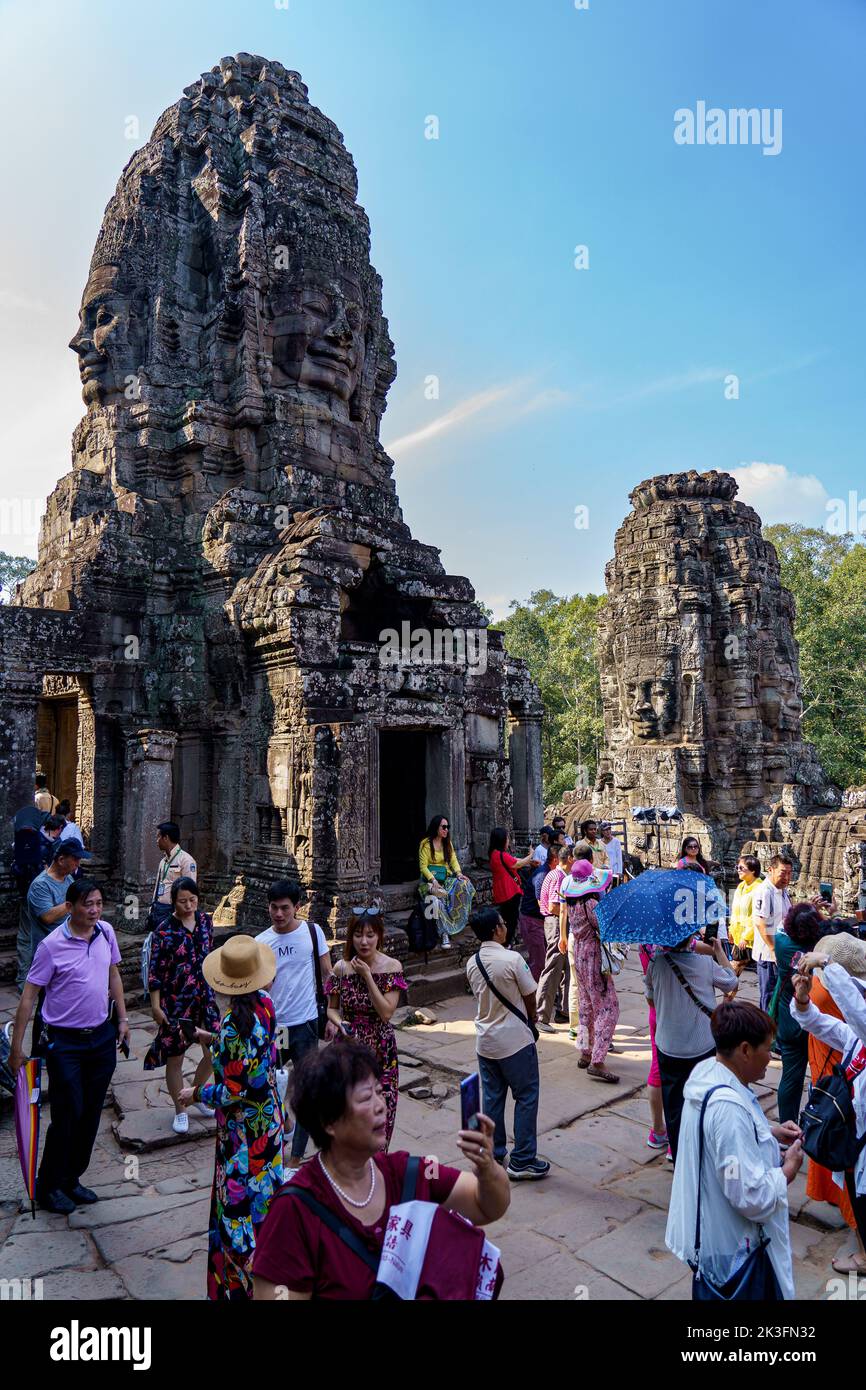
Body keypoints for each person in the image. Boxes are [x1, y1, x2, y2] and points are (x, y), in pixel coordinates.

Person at [252, 1040, 511, 1299]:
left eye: (379, 1091)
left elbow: (486, 1205)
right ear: (329, 1122)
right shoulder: (294, 1211)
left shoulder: (408, 1174)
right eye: (366, 1097)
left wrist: (486, 1167)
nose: (380, 1105)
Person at [666, 1000, 803, 1300]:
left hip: (715, 1236)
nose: (770, 1057)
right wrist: (787, 1171)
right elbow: (748, 1194)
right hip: (735, 1250)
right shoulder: (726, 1108)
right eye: (767, 1049)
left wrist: (767, 1131)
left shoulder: (708, 1072)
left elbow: (719, 1137)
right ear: (744, 1050)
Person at [9, 879, 129, 1213]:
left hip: (101, 1037)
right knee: (67, 1112)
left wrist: (122, 1019)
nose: (94, 910)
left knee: (91, 1112)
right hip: (64, 1042)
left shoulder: (105, 932)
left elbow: (114, 975)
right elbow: (30, 995)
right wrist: (17, 1049)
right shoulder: (51, 945)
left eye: (98, 903)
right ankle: (48, 1185)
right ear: (70, 907)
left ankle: (72, 1178)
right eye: (87, 904)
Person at [179, 934, 284, 1300]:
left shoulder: (232, 1025)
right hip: (268, 1124)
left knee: (236, 1210)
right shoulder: (267, 1006)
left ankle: (242, 1288)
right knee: (265, 1202)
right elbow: (252, 1060)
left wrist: (195, 1093)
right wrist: (208, 1037)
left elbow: (231, 1091)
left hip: (241, 1135)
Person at [790, 938, 866, 1268]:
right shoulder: (856, 1038)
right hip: (855, 1137)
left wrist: (828, 966)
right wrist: (803, 1002)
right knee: (857, 1192)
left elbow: (858, 1014)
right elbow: (823, 1025)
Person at [257, 879, 337, 1169]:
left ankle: (294, 1159)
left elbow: (328, 975)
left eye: (285, 908)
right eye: (274, 908)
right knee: (270, 1088)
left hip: (305, 1022)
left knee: (306, 1092)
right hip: (275, 1026)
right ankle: (285, 1125)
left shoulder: (312, 933)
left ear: (297, 907)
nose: (279, 914)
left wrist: (331, 1013)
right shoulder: (262, 942)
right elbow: (257, 987)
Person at [466, 907, 549, 1180]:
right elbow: (530, 995)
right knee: (526, 1096)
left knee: (493, 1097)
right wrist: (532, 1018)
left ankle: (495, 1151)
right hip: (514, 1041)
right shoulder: (512, 959)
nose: (505, 926)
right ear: (495, 931)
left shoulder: (472, 962)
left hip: (485, 1041)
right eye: (502, 923)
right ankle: (523, 1158)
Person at [646, 933, 738, 1161]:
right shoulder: (704, 963)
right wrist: (718, 951)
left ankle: (678, 1158)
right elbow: (731, 982)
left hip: (669, 1046)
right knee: (703, 1103)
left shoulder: (656, 963)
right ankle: (702, 1155)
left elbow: (651, 999)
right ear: (690, 940)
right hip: (701, 1046)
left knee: (674, 1107)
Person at [325, 905, 408, 1151]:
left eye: (370, 935)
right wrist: (341, 1023)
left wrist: (367, 976)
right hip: (348, 1048)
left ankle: (378, 1164)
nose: (364, 941)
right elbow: (332, 1009)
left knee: (381, 1110)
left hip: (380, 1047)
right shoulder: (341, 968)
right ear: (351, 936)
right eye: (358, 935)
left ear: (379, 936)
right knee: (346, 1112)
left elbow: (386, 1012)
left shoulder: (392, 967)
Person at [143, 876, 219, 1134]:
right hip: (176, 1001)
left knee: (215, 1051)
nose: (189, 906)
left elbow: (211, 958)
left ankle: (195, 1095)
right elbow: (155, 972)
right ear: (173, 902)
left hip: (205, 998)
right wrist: (156, 1006)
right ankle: (180, 1109)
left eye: (193, 900)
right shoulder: (163, 931)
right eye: (183, 901)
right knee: (175, 1058)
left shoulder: (206, 922)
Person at [772, 900, 841, 1125]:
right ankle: (822, 1120)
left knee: (790, 1078)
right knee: (823, 1074)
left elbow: (785, 925)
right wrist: (830, 915)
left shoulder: (781, 944)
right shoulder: (820, 949)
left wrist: (805, 910)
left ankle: (786, 1126)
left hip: (790, 1021)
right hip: (818, 1022)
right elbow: (838, 938)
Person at [560, 859, 618, 1082]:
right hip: (593, 954)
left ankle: (585, 1051)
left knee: (586, 1005)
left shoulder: (572, 903)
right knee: (608, 1008)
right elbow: (604, 928)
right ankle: (598, 1058)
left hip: (579, 951)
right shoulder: (591, 904)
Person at [16, 837, 91, 990]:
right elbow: (48, 917)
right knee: (47, 999)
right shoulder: (41, 885)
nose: (78, 864)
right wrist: (75, 900)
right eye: (75, 859)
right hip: (50, 953)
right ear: (61, 859)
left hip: (68, 947)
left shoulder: (68, 879)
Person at [536, 845, 576, 1033]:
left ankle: (564, 1010)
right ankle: (541, 1016)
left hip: (559, 922)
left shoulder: (555, 875)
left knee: (566, 967)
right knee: (552, 968)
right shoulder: (559, 877)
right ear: (569, 859)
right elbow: (553, 906)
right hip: (555, 923)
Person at [418, 814, 472, 949]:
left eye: (448, 827)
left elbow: (453, 860)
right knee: (437, 898)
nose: (446, 830)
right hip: (429, 881)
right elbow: (423, 866)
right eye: (443, 827)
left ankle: (455, 921)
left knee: (464, 884)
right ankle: (444, 934)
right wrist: (433, 879)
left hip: (446, 878)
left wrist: (459, 874)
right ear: (436, 827)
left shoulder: (447, 843)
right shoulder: (425, 844)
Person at [752, 853, 794, 1013]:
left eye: (789, 873)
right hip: (769, 955)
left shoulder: (782, 890)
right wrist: (772, 948)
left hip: (781, 952)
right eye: (783, 873)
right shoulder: (765, 891)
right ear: (770, 870)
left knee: (780, 996)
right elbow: (759, 921)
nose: (787, 877)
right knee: (769, 997)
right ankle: (765, 1033)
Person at [638, 945, 668, 1150]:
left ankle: (658, 1130)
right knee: (683, 1076)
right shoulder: (674, 944)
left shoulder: (644, 944)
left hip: (655, 1011)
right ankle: (676, 1142)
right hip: (674, 1014)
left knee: (657, 1069)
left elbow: (648, 995)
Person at [488, 827, 535, 948]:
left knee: (506, 918)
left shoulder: (494, 854)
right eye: (507, 838)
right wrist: (531, 855)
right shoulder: (500, 854)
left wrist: (529, 861)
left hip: (503, 891)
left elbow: (514, 861)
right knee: (511, 920)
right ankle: (507, 943)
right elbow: (517, 863)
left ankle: (506, 942)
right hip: (510, 891)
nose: (508, 840)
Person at [150, 821, 197, 929]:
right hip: (158, 909)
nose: (156, 841)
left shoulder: (186, 860)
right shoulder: (163, 861)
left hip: (173, 912)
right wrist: (152, 907)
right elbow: (158, 885)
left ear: (166, 838)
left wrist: (185, 917)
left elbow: (190, 892)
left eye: (158, 837)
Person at [728, 853, 762, 977]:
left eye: (741, 868)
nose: (738, 870)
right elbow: (735, 911)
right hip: (739, 937)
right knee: (734, 972)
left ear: (752, 870)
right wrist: (731, 929)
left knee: (732, 972)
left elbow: (757, 916)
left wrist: (746, 936)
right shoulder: (741, 887)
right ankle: (728, 996)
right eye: (737, 867)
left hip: (749, 939)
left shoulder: (759, 889)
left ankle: (728, 996)